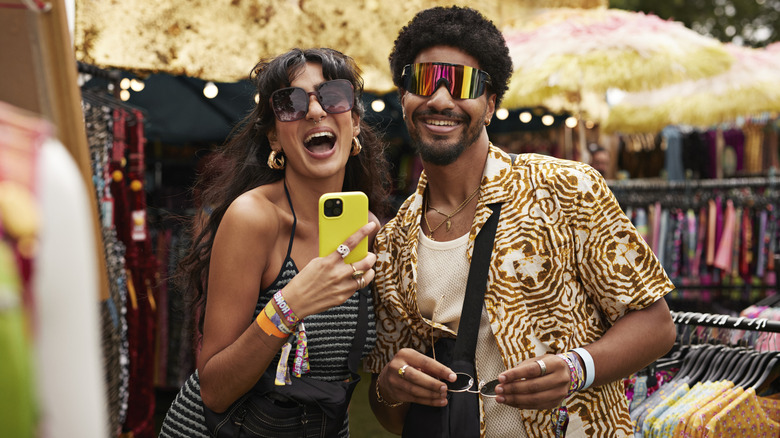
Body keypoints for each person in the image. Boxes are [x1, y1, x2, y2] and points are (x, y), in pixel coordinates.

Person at [365, 6, 677, 437]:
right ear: (404, 100)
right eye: (422, 82)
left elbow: (658, 325)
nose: (440, 99)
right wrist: (388, 386)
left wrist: (577, 368)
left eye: (462, 85)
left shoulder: (565, 187)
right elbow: (393, 412)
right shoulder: (393, 243)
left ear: (490, 104)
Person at [159, 47, 390, 437]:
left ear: (354, 123)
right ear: (274, 139)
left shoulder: (366, 231)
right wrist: (291, 304)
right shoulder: (253, 218)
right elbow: (214, 390)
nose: (315, 112)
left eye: (332, 96)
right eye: (291, 103)